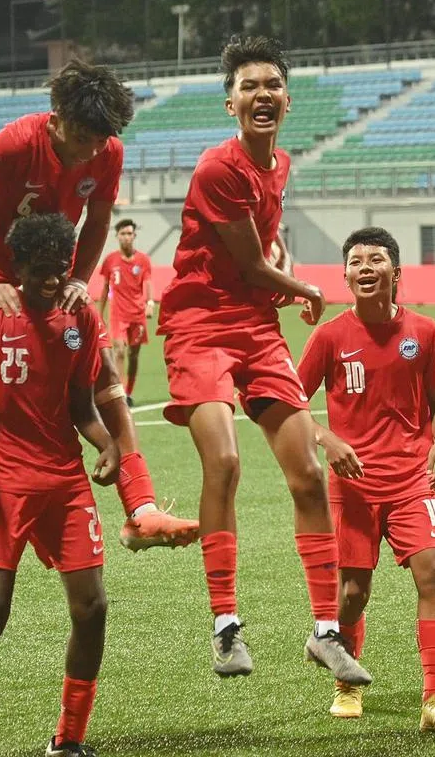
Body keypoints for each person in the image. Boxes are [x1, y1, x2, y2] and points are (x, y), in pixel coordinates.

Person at [0, 60, 197, 583]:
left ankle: (141, 510)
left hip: (54, 280)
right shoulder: (14, 143)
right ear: (56, 117)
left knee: (106, 377)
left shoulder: (107, 152)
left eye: (102, 139)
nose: (92, 150)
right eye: (83, 136)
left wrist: (80, 280)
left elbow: (100, 219)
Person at [157, 35, 370, 685]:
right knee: (223, 459)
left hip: (254, 324)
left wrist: (286, 272)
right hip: (198, 324)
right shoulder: (219, 166)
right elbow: (249, 263)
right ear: (230, 102)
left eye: (271, 85)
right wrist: (303, 288)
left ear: (288, 97)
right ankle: (226, 627)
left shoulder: (279, 165)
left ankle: (326, 632)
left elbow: (264, 250)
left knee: (307, 473)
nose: (262, 95)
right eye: (249, 86)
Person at [0, 214, 121, 757]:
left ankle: (68, 741)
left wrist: (107, 444)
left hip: (65, 481)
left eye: (60, 270)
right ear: (18, 267)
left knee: (92, 608)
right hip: (1, 483)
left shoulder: (80, 319)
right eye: (41, 271)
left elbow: (81, 404)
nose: (53, 281)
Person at [297, 226, 435, 734]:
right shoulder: (329, 335)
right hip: (352, 485)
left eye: (375, 259)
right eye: (355, 261)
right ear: (345, 275)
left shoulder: (426, 331)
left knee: (434, 570)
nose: (365, 267)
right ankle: (346, 682)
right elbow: (290, 404)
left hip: (414, 478)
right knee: (352, 593)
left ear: (397, 272)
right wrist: (329, 441)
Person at [98, 219, 153, 407]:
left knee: (134, 355)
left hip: (137, 315)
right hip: (118, 315)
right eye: (123, 234)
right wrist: (99, 313)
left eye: (130, 234)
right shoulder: (110, 260)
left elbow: (147, 283)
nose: (126, 237)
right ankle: (120, 391)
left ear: (134, 236)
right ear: (117, 236)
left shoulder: (143, 260)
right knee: (119, 351)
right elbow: (105, 288)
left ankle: (129, 390)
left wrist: (150, 302)